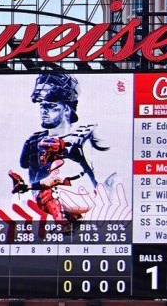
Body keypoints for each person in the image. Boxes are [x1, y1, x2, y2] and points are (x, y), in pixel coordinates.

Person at [9, 73, 109, 224]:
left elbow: (107, 179)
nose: (44, 111)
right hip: (38, 213)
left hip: (83, 206)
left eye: (51, 106)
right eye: (42, 106)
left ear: (67, 109)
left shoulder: (84, 137)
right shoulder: (33, 141)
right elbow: (25, 169)